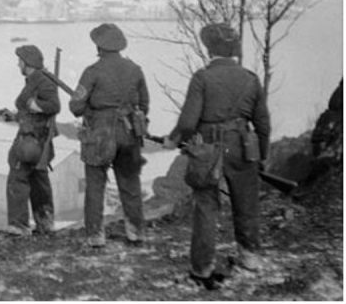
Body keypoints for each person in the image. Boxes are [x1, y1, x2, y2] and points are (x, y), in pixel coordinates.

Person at [164, 23, 270, 290]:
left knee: (206, 206)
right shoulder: (251, 78)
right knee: (246, 204)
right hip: (242, 146)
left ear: (208, 48)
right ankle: (251, 259)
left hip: (209, 148)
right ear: (232, 50)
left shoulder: (202, 78)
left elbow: (188, 121)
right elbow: (263, 124)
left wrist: (174, 139)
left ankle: (202, 269)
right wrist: (262, 157)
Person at [68, 23, 149, 248]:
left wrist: (92, 110)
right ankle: (136, 232)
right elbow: (144, 104)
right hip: (129, 134)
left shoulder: (92, 72)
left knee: (95, 186)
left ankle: (95, 236)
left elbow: (75, 106)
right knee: (130, 185)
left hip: (99, 135)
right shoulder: (135, 70)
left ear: (99, 47)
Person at [4, 45, 61, 236]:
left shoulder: (42, 81)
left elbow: (54, 105)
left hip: (31, 139)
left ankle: (19, 225)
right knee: (39, 180)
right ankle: (45, 223)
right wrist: (16, 116)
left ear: (27, 63)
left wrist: (31, 104)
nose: (18, 64)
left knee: (18, 177)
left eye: (20, 60)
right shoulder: (37, 79)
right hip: (38, 139)